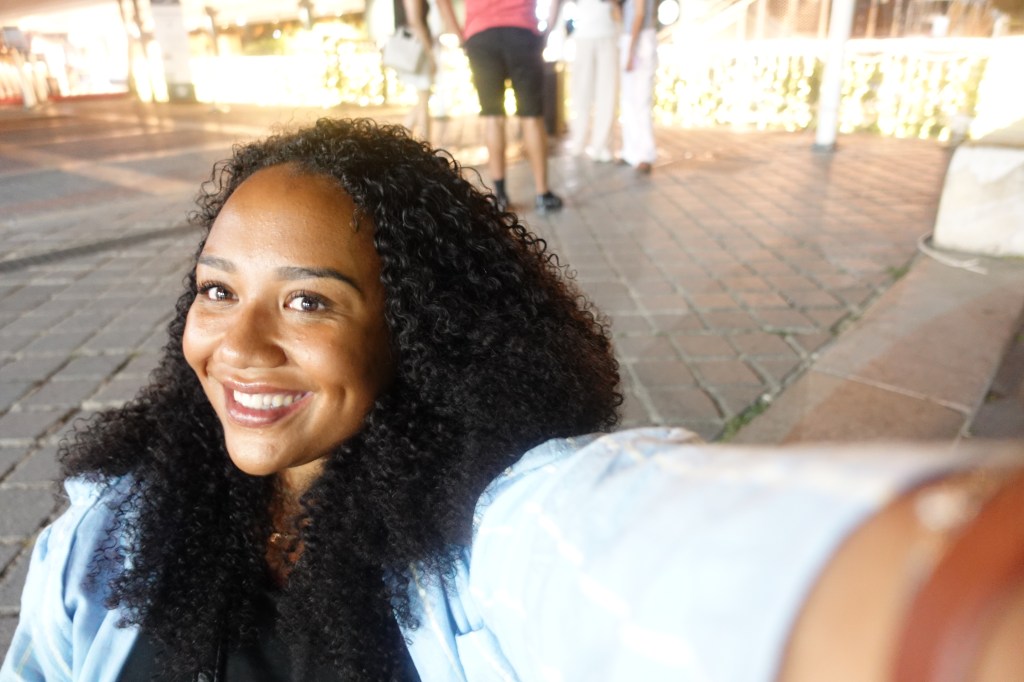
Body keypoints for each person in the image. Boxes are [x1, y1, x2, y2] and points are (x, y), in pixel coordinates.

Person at [3, 119, 1024, 682]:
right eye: (217, 290)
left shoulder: (484, 534)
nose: (237, 345)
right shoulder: (107, 527)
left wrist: (960, 596)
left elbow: (651, 545)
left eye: (310, 300)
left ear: (416, 327)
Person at [435, 0, 564, 213]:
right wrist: (547, 30)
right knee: (532, 116)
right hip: (522, 32)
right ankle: (543, 194)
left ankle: (500, 196)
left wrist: (460, 35)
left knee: (492, 116)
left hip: (481, 36)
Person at [567, 0, 621, 163]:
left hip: (608, 32)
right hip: (584, 33)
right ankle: (578, 140)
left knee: (607, 93)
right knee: (580, 93)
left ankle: (601, 145)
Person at [619, 0, 658, 173]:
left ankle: (644, 155)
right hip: (636, 38)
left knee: (640, 100)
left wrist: (630, 50)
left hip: (639, 40)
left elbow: (639, 13)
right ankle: (631, 152)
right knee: (630, 100)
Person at [395, 0, 437, 142]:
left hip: (412, 47)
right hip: (417, 48)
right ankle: (424, 145)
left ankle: (399, 139)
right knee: (424, 102)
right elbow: (414, 21)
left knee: (422, 100)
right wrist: (430, 52)